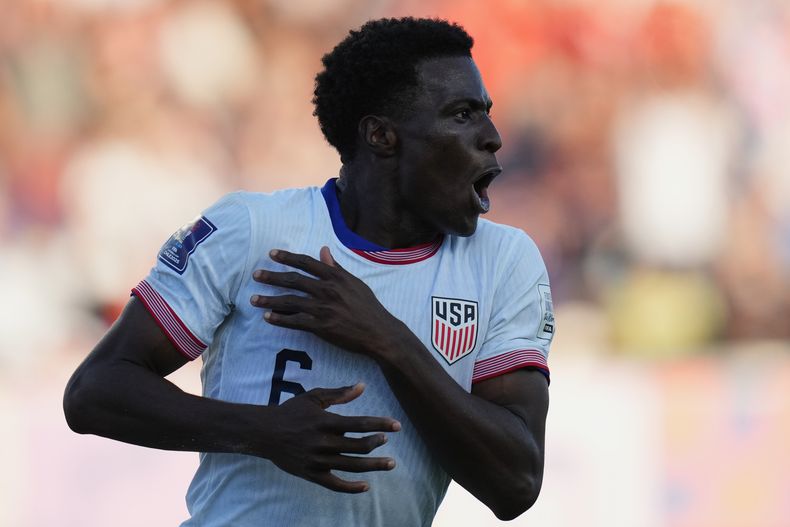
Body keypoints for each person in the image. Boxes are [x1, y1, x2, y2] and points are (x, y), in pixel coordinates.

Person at [64, 17, 555, 526]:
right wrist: (261, 431)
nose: (493, 138)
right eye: (462, 114)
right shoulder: (254, 230)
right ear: (382, 136)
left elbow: (515, 483)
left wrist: (386, 338)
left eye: (487, 114)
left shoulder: (503, 262)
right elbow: (95, 391)